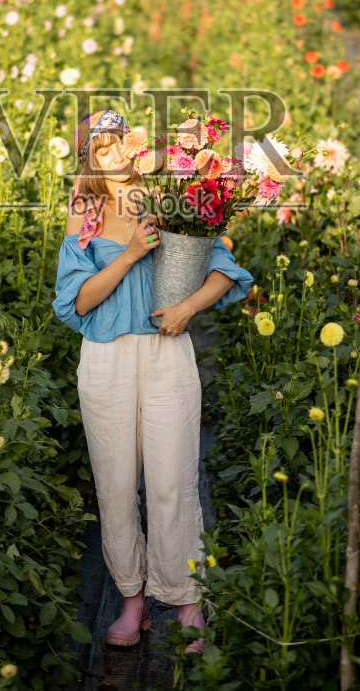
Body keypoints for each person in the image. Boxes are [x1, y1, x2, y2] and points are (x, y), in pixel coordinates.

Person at [53, 108, 252, 656]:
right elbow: (77, 303)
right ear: (89, 161)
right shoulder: (85, 211)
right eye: (102, 150)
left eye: (121, 143)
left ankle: (187, 600)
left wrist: (187, 307)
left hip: (166, 353)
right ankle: (132, 599)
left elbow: (226, 268)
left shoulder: (167, 198)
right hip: (106, 358)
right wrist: (132, 254)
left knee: (172, 480)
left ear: (135, 146)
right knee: (116, 485)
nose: (114, 155)